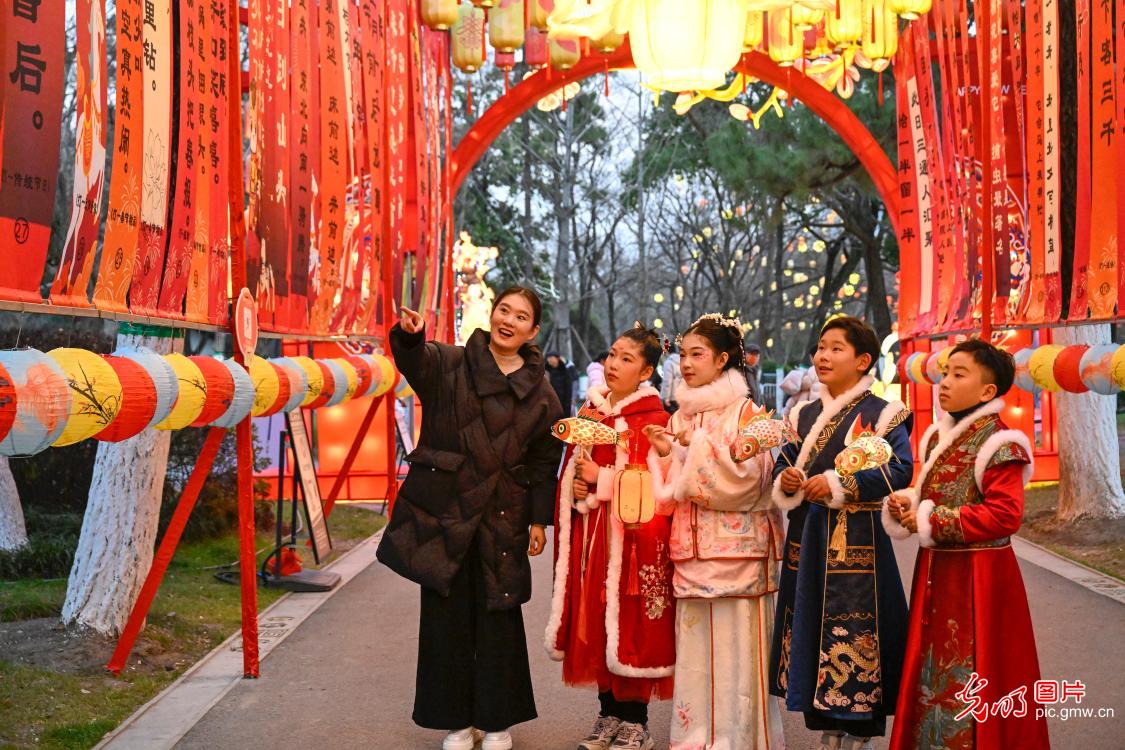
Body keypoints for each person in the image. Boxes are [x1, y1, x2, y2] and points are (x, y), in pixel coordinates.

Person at [377, 287, 565, 750]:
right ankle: (457, 722)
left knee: (499, 617)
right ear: (492, 313)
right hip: (446, 513)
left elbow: (544, 464)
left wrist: (538, 521)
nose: (508, 321)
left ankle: (497, 721)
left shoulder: (542, 394)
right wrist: (410, 337)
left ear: (533, 331)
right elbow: (414, 362)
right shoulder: (449, 363)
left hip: (503, 514)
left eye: (520, 316)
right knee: (446, 620)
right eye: (504, 310)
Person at [885, 340, 1050, 750]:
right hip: (937, 573)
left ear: (987, 391)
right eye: (945, 373)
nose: (945, 383)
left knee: (980, 667)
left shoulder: (1001, 444)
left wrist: (931, 519)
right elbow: (934, 494)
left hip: (980, 578)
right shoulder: (939, 437)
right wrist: (910, 503)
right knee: (932, 667)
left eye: (959, 375)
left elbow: (1005, 515)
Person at [768, 317, 914, 750]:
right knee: (810, 621)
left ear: (863, 360)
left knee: (856, 626)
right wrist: (787, 479)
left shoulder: (884, 413)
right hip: (807, 533)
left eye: (836, 348)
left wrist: (839, 484)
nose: (823, 356)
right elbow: (785, 460)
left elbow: (900, 469)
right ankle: (826, 726)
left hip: (858, 540)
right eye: (820, 347)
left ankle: (860, 729)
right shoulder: (802, 413)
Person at [644, 313, 785, 750]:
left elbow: (754, 482)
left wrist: (694, 447)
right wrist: (665, 452)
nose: (686, 363)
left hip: (738, 553)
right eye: (683, 355)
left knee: (738, 657)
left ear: (723, 359)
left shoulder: (748, 413)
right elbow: (669, 492)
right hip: (691, 552)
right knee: (695, 657)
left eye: (697, 354)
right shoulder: (681, 417)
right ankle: (693, 739)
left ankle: (740, 741)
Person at [545, 324, 674, 750]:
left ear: (646, 371)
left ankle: (636, 721)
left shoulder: (654, 420)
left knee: (630, 624)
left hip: (632, 542)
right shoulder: (591, 413)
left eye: (626, 359)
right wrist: (576, 485)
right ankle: (608, 715)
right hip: (592, 538)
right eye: (612, 355)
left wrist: (600, 478)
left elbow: (659, 489)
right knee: (598, 622)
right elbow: (571, 470)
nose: (613, 364)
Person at [779, 347, 820, 417]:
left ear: (812, 357)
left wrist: (799, 380)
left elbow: (806, 384)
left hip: (813, 409)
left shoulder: (813, 370)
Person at [659, 347, 682, 412]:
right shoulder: (682, 362)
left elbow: (667, 382)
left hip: (672, 397)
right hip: (682, 395)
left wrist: (666, 398)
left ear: (667, 352)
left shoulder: (669, 363)